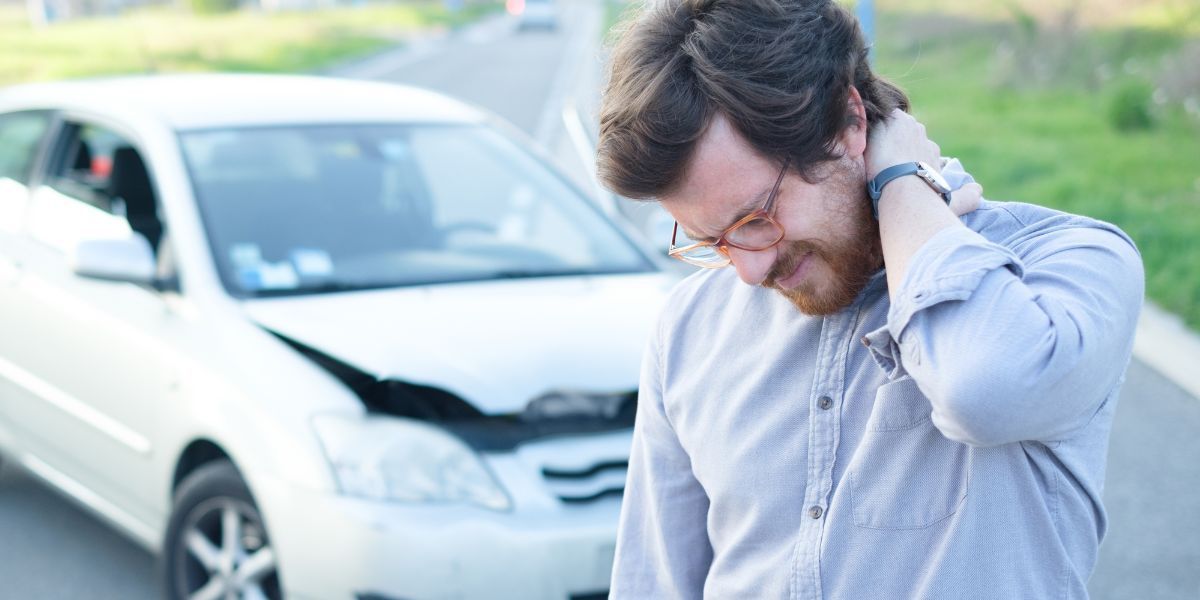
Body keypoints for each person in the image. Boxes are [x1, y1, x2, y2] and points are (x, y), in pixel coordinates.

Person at [596, 1, 1145, 598]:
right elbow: (653, 584)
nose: (748, 272)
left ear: (851, 123)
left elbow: (984, 392)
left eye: (755, 218)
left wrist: (902, 182)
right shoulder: (687, 325)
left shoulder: (1068, 262)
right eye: (713, 242)